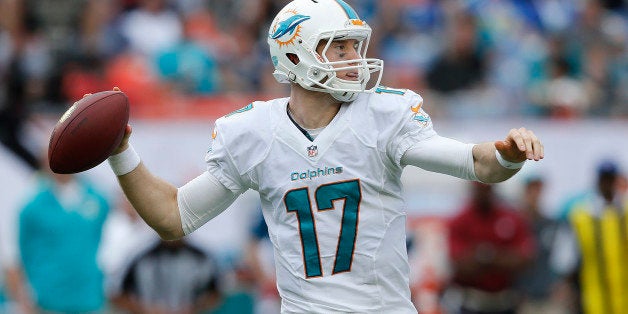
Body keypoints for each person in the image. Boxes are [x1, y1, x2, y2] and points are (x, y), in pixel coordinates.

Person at [102, 0, 544, 312]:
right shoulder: (254, 132)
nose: (355, 59)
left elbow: (475, 163)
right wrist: (121, 152)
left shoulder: (383, 115)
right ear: (294, 55)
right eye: (339, 47)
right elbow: (173, 217)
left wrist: (506, 154)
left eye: (355, 46)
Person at [7, 153, 110, 313]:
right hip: (48, 303)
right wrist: (23, 301)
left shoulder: (99, 200)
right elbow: (16, 257)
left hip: (91, 300)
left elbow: (111, 245)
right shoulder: (31, 206)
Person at [446, 182, 536, 314]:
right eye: (480, 188)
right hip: (471, 304)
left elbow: (525, 259)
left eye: (487, 188)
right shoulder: (460, 220)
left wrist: (485, 257)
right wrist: (502, 258)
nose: (484, 193)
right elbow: (461, 265)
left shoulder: (511, 217)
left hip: (506, 303)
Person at [555, 160, 628, 314]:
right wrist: (569, 291)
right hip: (594, 299)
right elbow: (566, 260)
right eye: (604, 179)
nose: (607, 184)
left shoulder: (625, 212)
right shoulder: (581, 216)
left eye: (610, 179)